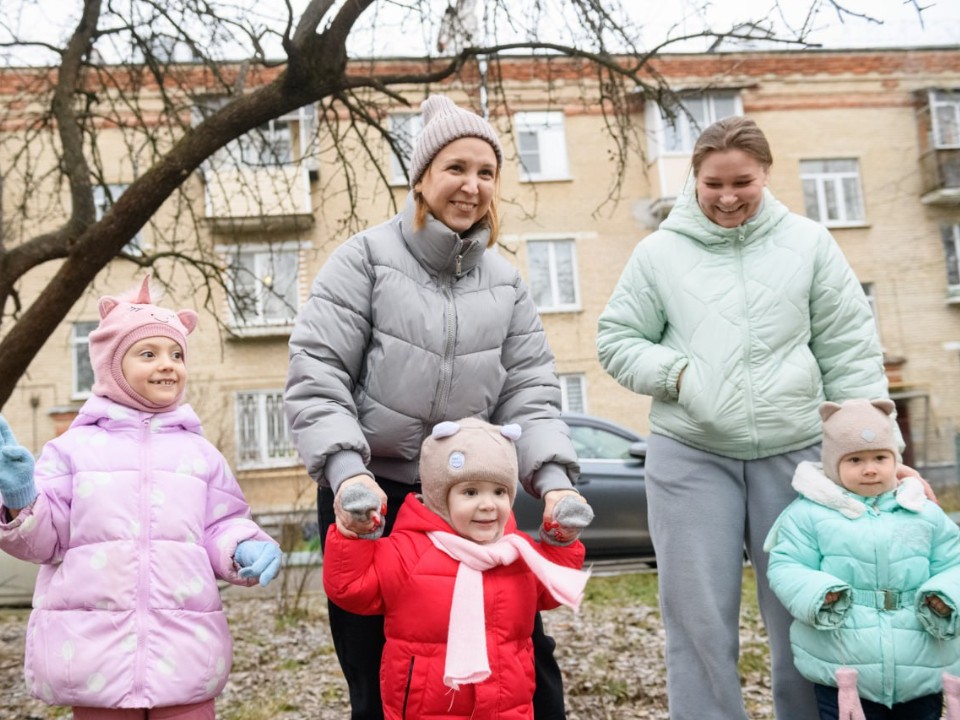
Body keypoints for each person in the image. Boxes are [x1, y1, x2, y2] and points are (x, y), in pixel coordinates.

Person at [596, 115, 911, 720]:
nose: (728, 196)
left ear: (766, 174)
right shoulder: (658, 252)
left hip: (796, 454)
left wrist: (880, 451)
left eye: (743, 181)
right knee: (697, 615)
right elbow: (617, 340)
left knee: (805, 610)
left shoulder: (810, 243)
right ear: (695, 179)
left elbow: (849, 349)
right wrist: (679, 375)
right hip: (689, 454)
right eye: (713, 183)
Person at [285, 93, 587, 720]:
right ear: (421, 177)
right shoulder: (364, 261)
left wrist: (552, 482)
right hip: (374, 502)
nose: (471, 185)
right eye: (456, 168)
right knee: (383, 681)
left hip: (468, 503)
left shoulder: (505, 283)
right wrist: (348, 475)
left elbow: (529, 387)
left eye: (485, 172)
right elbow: (319, 374)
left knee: (522, 664)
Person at [0, 276, 282, 720]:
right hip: (96, 660)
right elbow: (42, 543)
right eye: (148, 354)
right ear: (112, 367)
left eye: (176, 354)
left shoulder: (200, 454)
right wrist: (21, 497)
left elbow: (222, 523)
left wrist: (243, 545)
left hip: (184, 652)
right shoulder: (72, 450)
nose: (167, 365)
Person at [322, 417, 591, 720]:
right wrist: (355, 533)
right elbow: (350, 587)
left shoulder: (516, 552)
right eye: (471, 492)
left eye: (499, 492)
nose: (488, 504)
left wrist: (561, 539)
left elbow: (552, 588)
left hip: (507, 706)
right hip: (427, 708)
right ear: (439, 496)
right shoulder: (408, 552)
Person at [764, 398, 960, 720]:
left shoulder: (924, 513)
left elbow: (952, 563)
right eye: (854, 459)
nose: (869, 468)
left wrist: (945, 596)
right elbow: (787, 565)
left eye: (880, 457)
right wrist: (818, 593)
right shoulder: (808, 515)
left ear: (895, 460)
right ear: (833, 464)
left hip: (921, 664)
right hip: (844, 668)